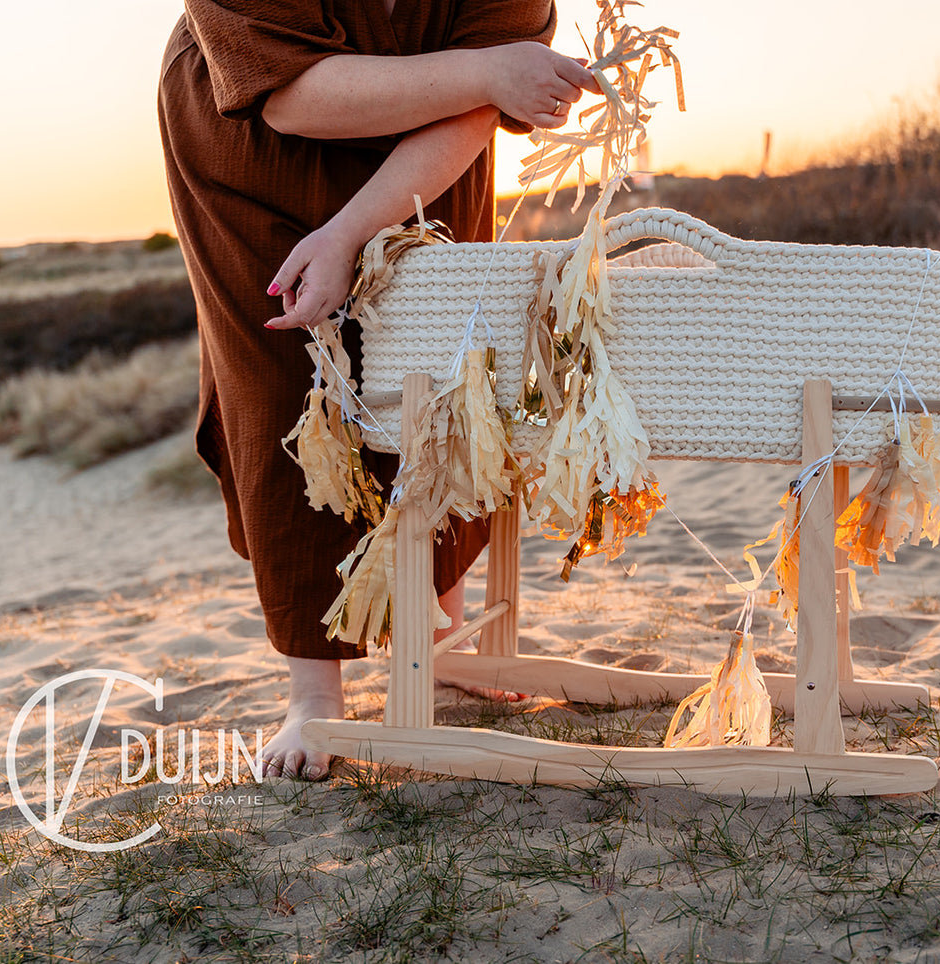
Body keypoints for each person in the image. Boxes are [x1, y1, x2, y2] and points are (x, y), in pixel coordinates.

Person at [158, 0, 598, 780]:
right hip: (254, 143)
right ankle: (313, 690)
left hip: (426, 149)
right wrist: (488, 71)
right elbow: (292, 96)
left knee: (444, 368)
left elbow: (483, 100)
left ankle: (441, 637)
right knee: (291, 388)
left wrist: (352, 229)